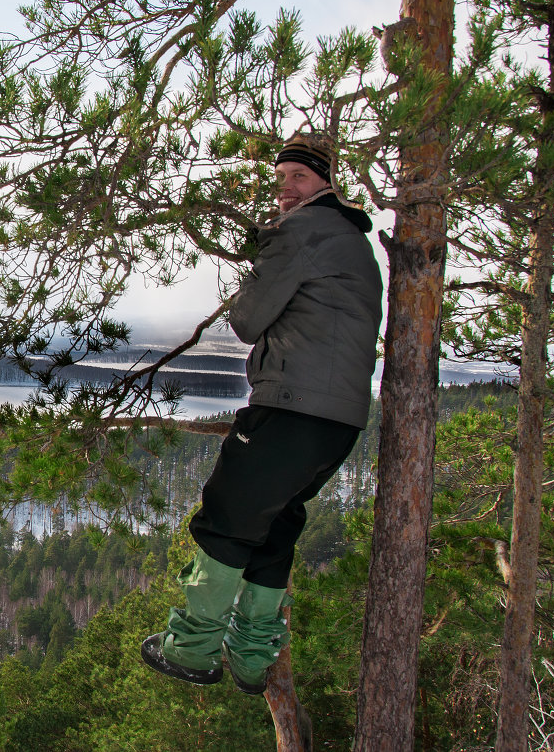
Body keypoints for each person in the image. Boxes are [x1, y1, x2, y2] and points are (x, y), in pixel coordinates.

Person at [140, 132, 383, 695]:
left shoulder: (301, 231)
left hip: (291, 409)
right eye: (279, 181)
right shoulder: (353, 241)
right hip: (338, 421)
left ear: (327, 181)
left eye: (298, 177)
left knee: (227, 518)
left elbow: (247, 320)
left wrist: (263, 256)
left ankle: (194, 647)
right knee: (274, 530)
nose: (285, 191)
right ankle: (251, 660)